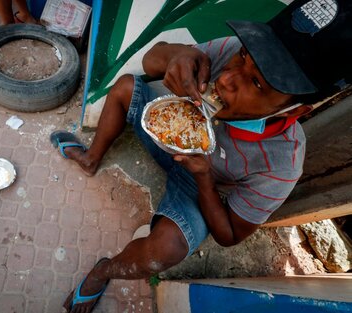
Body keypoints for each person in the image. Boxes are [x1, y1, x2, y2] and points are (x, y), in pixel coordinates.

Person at [50, 0, 352, 312]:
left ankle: (104, 270)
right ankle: (91, 158)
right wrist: (176, 55)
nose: (226, 79)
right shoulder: (230, 51)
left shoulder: (282, 163)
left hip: (199, 183)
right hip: (166, 133)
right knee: (126, 87)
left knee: (164, 250)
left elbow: (229, 234)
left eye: (257, 83)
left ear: (297, 111)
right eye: (244, 57)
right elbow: (153, 60)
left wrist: (204, 177)